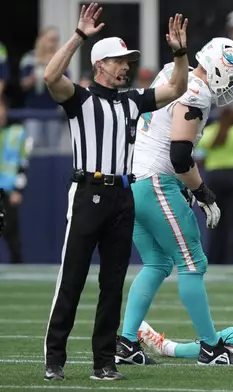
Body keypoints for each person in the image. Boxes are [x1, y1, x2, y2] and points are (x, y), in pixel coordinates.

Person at [42, 3, 190, 381]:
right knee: (72, 278)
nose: (125, 65)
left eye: (128, 60)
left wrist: (179, 53)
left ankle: (103, 362)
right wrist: (78, 36)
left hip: (122, 195)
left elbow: (177, 87)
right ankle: (54, 359)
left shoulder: (132, 101)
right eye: (118, 60)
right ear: (100, 65)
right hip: (88, 190)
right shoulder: (80, 98)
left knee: (113, 284)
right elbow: (50, 76)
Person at [115, 37, 233, 367]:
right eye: (231, 78)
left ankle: (127, 342)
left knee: (158, 263)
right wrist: (203, 192)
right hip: (155, 182)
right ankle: (210, 347)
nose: (231, 86)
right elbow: (179, 155)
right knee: (192, 262)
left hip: (133, 180)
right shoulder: (197, 91)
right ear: (221, 69)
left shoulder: (172, 73)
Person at [197, 106, 233, 265]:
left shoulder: (207, 133)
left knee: (215, 222)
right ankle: (231, 263)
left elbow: (199, 158)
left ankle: (214, 262)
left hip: (214, 178)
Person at [0, 98, 32, 263]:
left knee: (12, 233)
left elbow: (22, 164)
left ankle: (17, 263)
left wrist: (18, 190)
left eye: (2, 108)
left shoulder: (17, 133)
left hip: (7, 190)